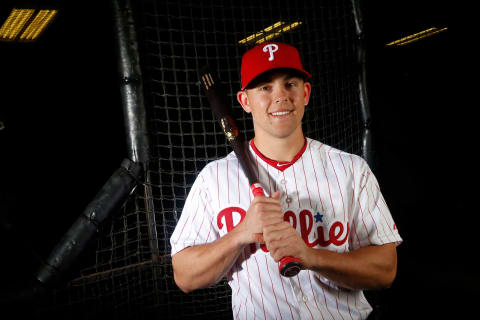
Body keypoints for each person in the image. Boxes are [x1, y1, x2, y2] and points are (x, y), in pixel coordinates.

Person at [170, 41, 402, 320]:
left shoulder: (351, 169)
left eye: (290, 84)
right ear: (245, 101)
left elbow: (385, 270)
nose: (280, 96)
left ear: (305, 93)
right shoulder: (214, 178)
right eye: (265, 87)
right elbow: (184, 275)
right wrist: (241, 234)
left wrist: (312, 256)